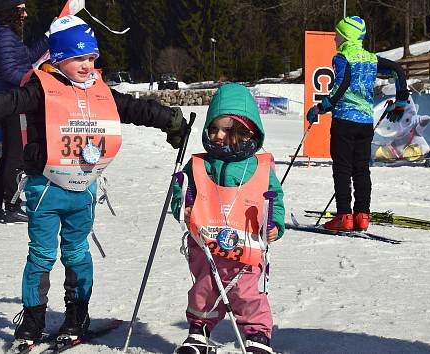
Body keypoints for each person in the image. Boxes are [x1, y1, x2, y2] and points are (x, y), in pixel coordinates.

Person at [0, 15, 187, 346]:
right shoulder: (41, 87)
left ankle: (77, 313)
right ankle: (33, 318)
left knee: (76, 253)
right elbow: (11, 101)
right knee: (42, 255)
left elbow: (133, 108)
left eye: (92, 58)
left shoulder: (100, 91)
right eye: (79, 58)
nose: (88, 65)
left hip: (84, 190)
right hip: (44, 188)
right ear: (58, 57)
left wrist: (169, 120)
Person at [170, 83, 285, 354]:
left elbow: (274, 198)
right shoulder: (201, 163)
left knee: (246, 292)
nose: (218, 135)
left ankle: (257, 334)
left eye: (227, 129)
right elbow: (183, 189)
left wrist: (274, 224)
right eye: (213, 128)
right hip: (205, 244)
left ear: (247, 131)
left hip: (245, 244)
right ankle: (199, 330)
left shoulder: (258, 165)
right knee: (204, 289)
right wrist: (182, 207)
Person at [306, 16, 408, 231]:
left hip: (344, 121)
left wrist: (321, 107)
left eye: (337, 34)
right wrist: (400, 102)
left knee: (342, 168)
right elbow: (398, 70)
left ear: (346, 35)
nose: (335, 38)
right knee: (361, 169)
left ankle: (344, 216)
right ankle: (362, 215)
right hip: (364, 123)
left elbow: (340, 86)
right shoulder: (371, 58)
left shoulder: (343, 57)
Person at [0, 0, 49, 223]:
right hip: (14, 100)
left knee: (9, 153)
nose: (26, 14)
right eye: (21, 9)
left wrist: (49, 36)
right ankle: (12, 204)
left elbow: (26, 57)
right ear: (11, 11)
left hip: (10, 98)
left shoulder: (5, 33)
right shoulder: (4, 35)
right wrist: (34, 83)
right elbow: (12, 72)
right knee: (16, 155)